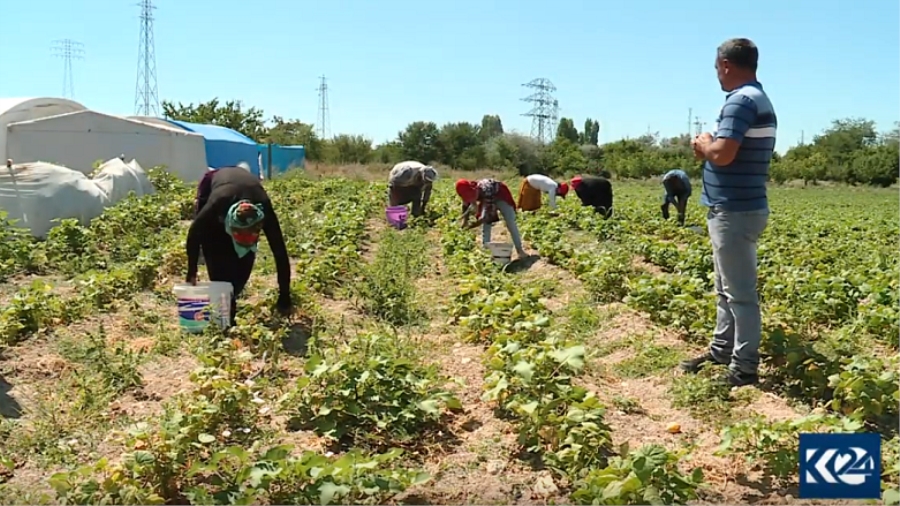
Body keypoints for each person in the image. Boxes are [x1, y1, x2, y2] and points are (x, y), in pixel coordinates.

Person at [681, 38, 776, 387]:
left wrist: (704, 144)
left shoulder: (742, 101)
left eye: (716, 68)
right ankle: (722, 350)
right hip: (735, 208)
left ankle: (744, 368)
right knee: (725, 288)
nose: (717, 74)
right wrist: (711, 146)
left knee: (740, 294)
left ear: (725, 64)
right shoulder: (754, 99)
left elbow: (723, 154)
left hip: (734, 210)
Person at [186, 166, 292, 326]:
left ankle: (232, 295)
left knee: (244, 258)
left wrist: (285, 296)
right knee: (215, 251)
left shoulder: (263, 210)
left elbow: (280, 252)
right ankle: (225, 307)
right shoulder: (216, 203)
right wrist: (192, 270)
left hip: (246, 189)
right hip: (218, 188)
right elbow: (195, 233)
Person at [455, 178, 527, 258]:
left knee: (510, 222)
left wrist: (471, 226)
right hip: (486, 197)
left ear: (473, 191)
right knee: (486, 227)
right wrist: (464, 221)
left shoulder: (485, 191)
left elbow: (485, 218)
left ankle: (520, 250)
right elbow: (465, 206)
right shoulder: (467, 191)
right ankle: (486, 253)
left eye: (470, 197)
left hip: (501, 195)